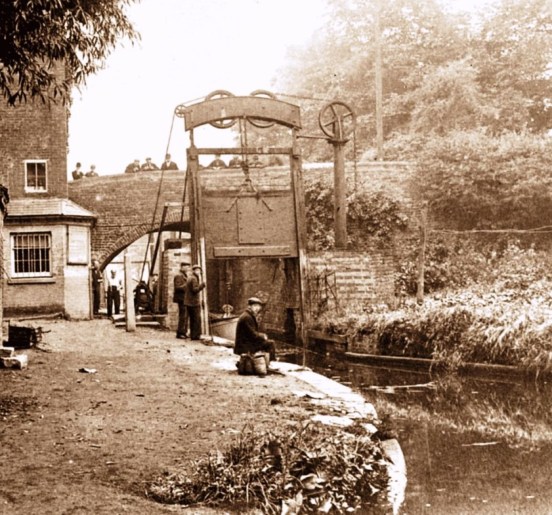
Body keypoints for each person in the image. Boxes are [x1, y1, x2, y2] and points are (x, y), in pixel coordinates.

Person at [184, 264, 205, 340]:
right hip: (194, 303)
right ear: (194, 271)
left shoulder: (190, 278)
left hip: (189, 302)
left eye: (199, 270)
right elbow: (195, 290)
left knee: (192, 319)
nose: (198, 272)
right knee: (196, 319)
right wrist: (202, 285)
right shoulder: (194, 279)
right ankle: (196, 336)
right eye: (197, 270)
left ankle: (193, 335)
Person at [173, 262, 190, 339]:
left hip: (185, 298)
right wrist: (187, 285)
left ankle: (183, 332)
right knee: (183, 316)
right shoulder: (178, 276)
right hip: (181, 298)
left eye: (188, 267)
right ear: (182, 267)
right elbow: (177, 287)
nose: (187, 269)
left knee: (185, 316)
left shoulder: (184, 276)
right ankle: (180, 333)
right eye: (186, 267)